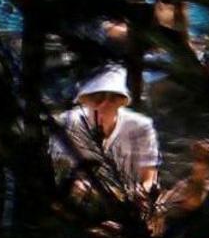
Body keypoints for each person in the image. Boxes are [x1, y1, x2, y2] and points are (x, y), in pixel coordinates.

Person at [55, 66, 161, 194]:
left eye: (113, 98)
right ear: (84, 100)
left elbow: (150, 177)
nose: (105, 104)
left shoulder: (141, 126)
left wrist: (143, 193)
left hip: (127, 200)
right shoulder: (68, 122)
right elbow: (59, 170)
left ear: (122, 101)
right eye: (97, 98)